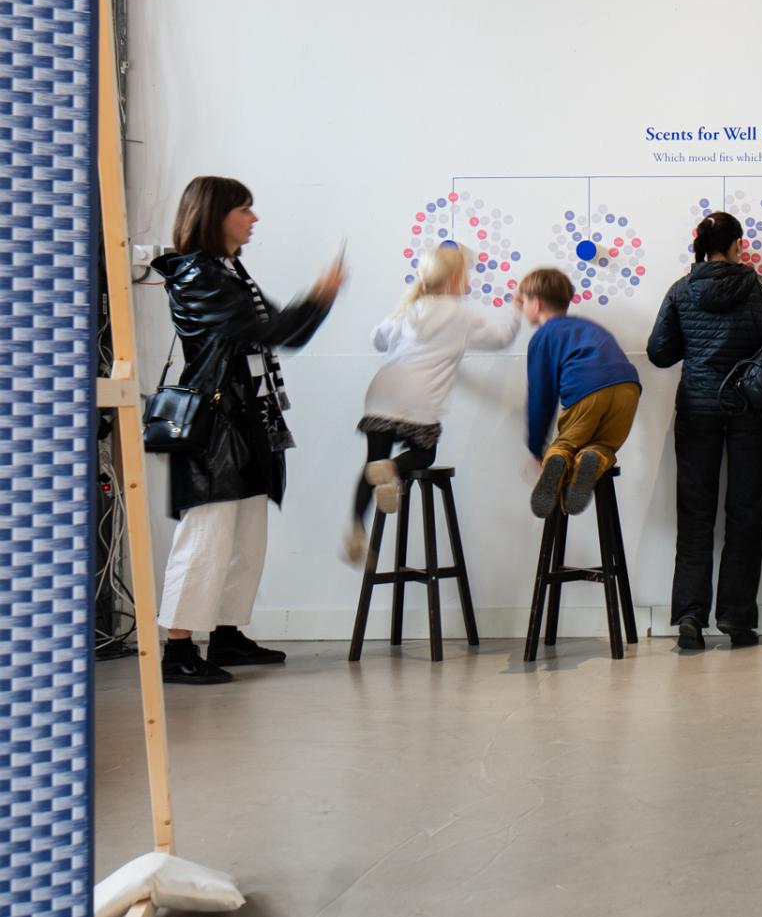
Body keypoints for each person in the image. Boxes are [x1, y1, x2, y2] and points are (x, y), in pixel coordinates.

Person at [151, 176, 343, 685]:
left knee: (246, 536)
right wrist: (319, 295)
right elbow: (267, 329)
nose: (253, 219)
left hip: (246, 421)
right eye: (244, 209)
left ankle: (226, 633)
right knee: (206, 536)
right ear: (216, 215)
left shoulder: (227, 269)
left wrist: (317, 302)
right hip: (216, 427)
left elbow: (287, 331)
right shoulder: (195, 272)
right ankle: (177, 648)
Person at [647, 212, 762, 651]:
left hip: (697, 410)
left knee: (695, 516)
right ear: (739, 245)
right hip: (750, 411)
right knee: (745, 515)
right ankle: (737, 621)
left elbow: (659, 354)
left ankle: (690, 617)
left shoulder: (681, 290)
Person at [344, 242, 517, 563]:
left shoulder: (408, 309)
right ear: (453, 280)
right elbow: (499, 340)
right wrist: (515, 311)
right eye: (467, 276)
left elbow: (378, 339)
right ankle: (393, 469)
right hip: (419, 404)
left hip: (381, 398)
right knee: (424, 452)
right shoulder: (462, 315)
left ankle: (356, 526)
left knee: (372, 462)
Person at [516, 268, 641, 517]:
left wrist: (536, 448)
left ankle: (557, 459)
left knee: (566, 444)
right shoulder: (587, 327)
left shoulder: (544, 336)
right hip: (628, 387)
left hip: (588, 389)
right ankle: (591, 458)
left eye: (524, 301)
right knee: (604, 444)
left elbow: (541, 396)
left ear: (536, 303)